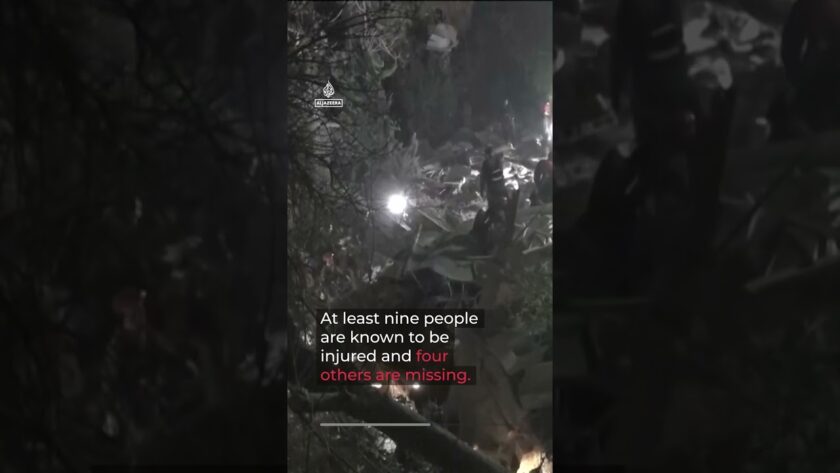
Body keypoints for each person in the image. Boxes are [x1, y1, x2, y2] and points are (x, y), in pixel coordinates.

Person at [778, 0, 840, 133]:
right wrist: (798, 78)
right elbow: (790, 46)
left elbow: (790, 47)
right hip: (816, 83)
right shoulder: (809, 5)